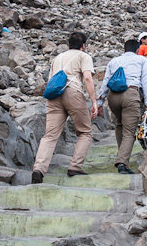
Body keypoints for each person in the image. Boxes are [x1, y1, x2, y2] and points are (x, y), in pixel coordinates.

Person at [31, 32, 98, 183]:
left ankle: (38, 169)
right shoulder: (83, 56)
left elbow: (51, 79)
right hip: (73, 92)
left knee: (50, 135)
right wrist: (94, 101)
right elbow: (87, 78)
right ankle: (75, 167)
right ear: (83, 45)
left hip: (54, 94)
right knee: (85, 131)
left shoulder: (57, 58)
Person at [95, 39, 147, 174]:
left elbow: (106, 82)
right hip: (131, 94)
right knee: (129, 131)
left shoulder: (113, 61)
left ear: (124, 50)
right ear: (138, 50)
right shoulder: (142, 60)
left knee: (120, 124)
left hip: (113, 97)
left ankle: (122, 154)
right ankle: (122, 163)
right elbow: (146, 81)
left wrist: (99, 103)